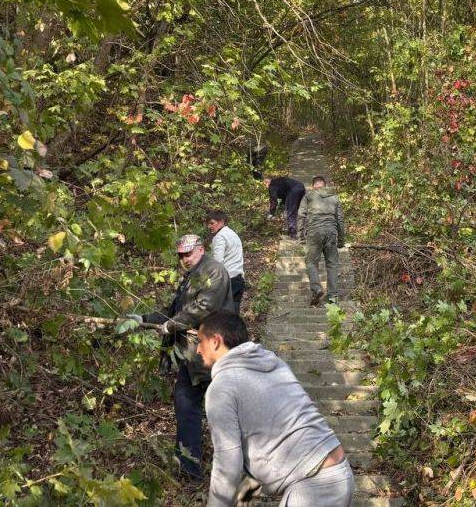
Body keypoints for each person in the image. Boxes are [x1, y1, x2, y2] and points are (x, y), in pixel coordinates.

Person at [195, 312, 354, 507]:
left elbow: (227, 464)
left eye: (199, 341)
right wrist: (255, 481)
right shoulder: (274, 364)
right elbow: (277, 428)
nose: (197, 349)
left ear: (215, 341)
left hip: (313, 489)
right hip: (339, 473)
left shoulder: (222, 387)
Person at [131, 234, 236, 482]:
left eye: (188, 254)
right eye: (181, 255)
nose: (184, 259)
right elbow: (175, 311)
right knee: (186, 405)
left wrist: (172, 325)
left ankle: (236, 466)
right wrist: (143, 320)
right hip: (194, 355)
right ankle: (189, 467)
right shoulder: (193, 274)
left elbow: (203, 307)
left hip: (215, 353)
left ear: (201, 249)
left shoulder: (214, 272)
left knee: (222, 410)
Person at [298, 176, 346, 307]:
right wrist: (341, 239)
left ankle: (317, 288)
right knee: (332, 264)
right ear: (324, 186)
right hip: (331, 233)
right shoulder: (334, 198)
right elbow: (340, 220)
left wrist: (300, 236)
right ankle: (333, 297)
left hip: (314, 233)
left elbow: (301, 215)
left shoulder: (308, 196)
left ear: (313, 186)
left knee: (311, 262)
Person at [207, 210, 245, 314]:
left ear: (221, 222)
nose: (209, 226)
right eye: (208, 223)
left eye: (212, 223)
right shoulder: (232, 234)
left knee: (222, 317)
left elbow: (217, 262)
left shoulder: (220, 237)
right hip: (239, 279)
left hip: (228, 281)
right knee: (234, 316)